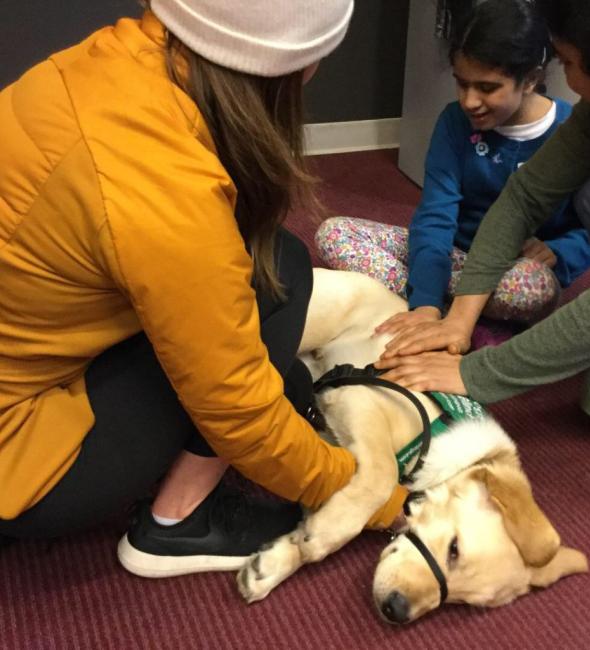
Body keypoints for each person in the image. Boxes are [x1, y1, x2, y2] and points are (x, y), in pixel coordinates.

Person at [0, 0, 407, 577]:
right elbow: (242, 416)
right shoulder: (171, 191)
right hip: (15, 457)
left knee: (273, 319)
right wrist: (379, 500)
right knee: (280, 271)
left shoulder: (102, 60)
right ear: (302, 60)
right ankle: (177, 524)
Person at [376, 0, 590, 436]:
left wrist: (474, 374)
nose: (569, 79)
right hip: (481, 263)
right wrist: (457, 322)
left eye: (569, 62)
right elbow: (524, 196)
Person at [315, 0, 590, 342]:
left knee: (531, 290)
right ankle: (448, 311)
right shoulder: (453, 121)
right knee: (333, 233)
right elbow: (435, 215)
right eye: (462, 84)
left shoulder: (573, 129)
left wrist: (564, 250)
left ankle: (442, 306)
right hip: (454, 254)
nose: (469, 101)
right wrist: (427, 304)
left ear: (531, 80)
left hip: (514, 272)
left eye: (487, 87)